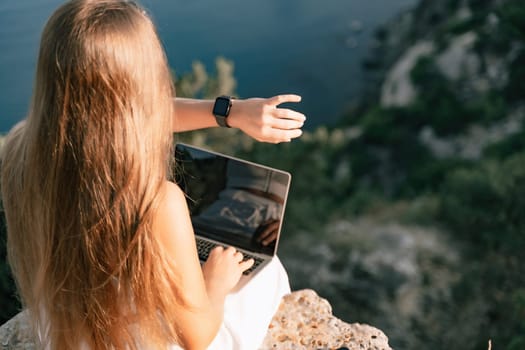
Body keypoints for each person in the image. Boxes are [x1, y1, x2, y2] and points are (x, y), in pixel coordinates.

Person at [0, 1, 305, 349]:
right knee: (266, 272)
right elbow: (196, 337)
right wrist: (217, 281)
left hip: (65, 331)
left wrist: (231, 112)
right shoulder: (157, 202)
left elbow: (116, 114)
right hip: (137, 341)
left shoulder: (21, 148)